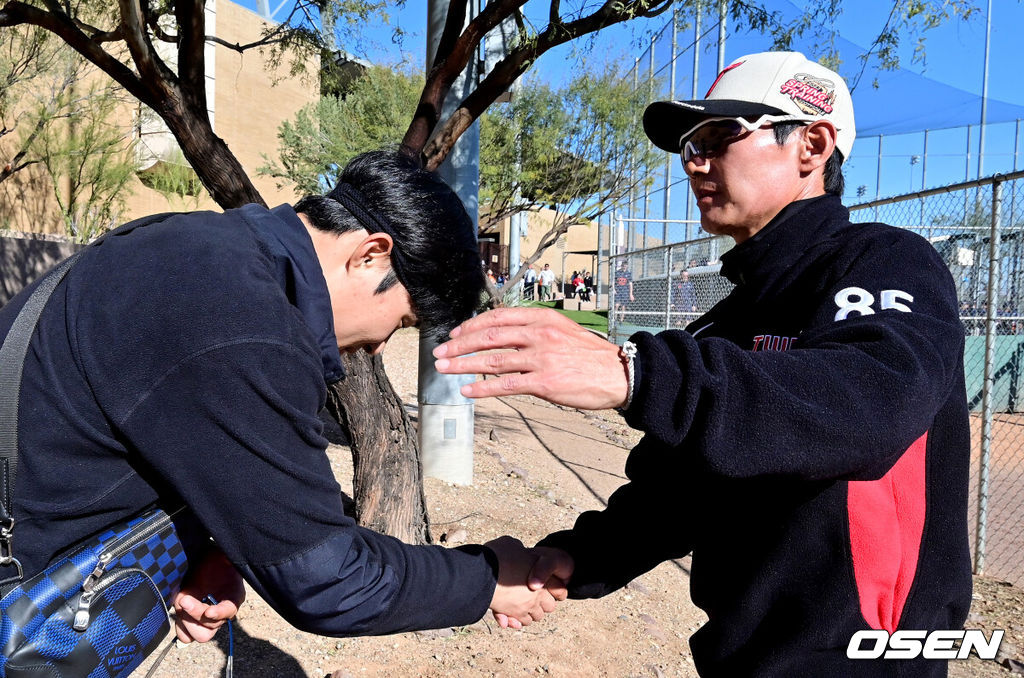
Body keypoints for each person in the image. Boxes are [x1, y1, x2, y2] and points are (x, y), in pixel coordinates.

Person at [433, 51, 971, 677]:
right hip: (737, 657)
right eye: (689, 144)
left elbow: (872, 403)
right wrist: (579, 557)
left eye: (719, 137)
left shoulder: (882, 260)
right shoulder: (727, 320)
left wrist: (636, 373)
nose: (693, 161)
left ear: (812, 144)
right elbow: (679, 492)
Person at [0, 150, 571, 647]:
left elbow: (167, 430)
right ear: (370, 253)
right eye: (403, 319)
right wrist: (489, 577)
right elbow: (328, 581)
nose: (376, 349)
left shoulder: (205, 249)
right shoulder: (246, 324)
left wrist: (218, 547)